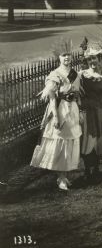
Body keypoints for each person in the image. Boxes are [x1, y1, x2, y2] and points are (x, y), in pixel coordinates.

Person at [30, 46, 82, 191]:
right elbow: (52, 98)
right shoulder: (55, 74)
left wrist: (79, 109)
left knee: (69, 141)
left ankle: (65, 175)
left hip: (72, 110)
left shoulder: (75, 74)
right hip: (60, 109)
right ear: (59, 58)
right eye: (64, 55)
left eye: (69, 55)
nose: (67, 58)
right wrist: (56, 117)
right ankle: (61, 177)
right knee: (60, 141)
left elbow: (77, 94)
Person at [78, 43, 102, 183]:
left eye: (95, 58)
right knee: (88, 139)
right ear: (87, 61)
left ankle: (96, 168)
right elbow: (78, 95)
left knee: (99, 139)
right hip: (87, 111)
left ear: (99, 59)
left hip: (101, 110)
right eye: (90, 59)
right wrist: (79, 110)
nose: (92, 61)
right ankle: (87, 169)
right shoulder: (82, 75)